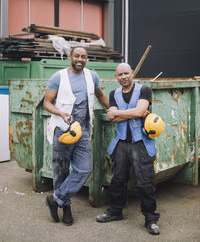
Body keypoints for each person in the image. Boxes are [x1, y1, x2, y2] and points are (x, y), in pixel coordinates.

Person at [44, 46, 109, 225]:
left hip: (82, 130)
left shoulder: (92, 76)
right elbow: (47, 103)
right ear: (70, 57)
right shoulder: (58, 77)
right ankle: (66, 207)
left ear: (87, 59)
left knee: (84, 169)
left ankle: (56, 198)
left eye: (83, 56)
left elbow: (100, 94)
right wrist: (61, 113)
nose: (80, 59)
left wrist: (111, 109)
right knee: (61, 171)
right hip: (62, 130)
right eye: (77, 56)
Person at [96, 63, 160, 235]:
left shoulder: (144, 90)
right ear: (116, 77)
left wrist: (120, 113)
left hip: (141, 143)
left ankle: (150, 218)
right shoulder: (114, 94)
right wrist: (132, 113)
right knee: (118, 179)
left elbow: (139, 112)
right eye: (120, 74)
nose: (124, 77)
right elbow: (112, 118)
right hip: (122, 143)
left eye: (126, 73)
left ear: (132, 73)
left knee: (145, 182)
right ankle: (116, 211)